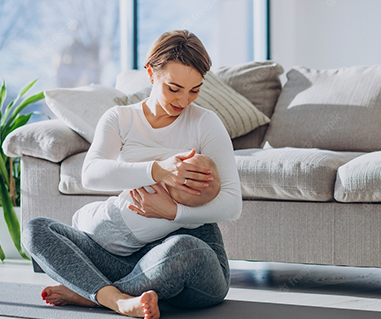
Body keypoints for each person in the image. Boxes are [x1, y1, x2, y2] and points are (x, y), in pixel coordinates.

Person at [22, 29, 242, 319]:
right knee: (35, 229)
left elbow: (232, 204)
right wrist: (158, 171)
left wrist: (172, 211)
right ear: (151, 73)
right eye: (174, 88)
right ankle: (119, 299)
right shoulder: (121, 118)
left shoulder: (205, 123)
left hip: (190, 263)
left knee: (184, 248)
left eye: (195, 90)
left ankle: (94, 294)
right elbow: (91, 174)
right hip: (127, 256)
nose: (184, 101)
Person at [72, 152, 221, 256]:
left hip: (107, 217)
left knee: (78, 218)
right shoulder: (189, 220)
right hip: (124, 248)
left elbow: (132, 172)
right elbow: (201, 219)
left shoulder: (153, 184)